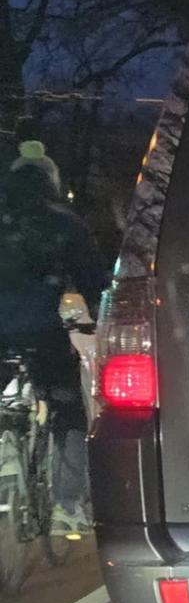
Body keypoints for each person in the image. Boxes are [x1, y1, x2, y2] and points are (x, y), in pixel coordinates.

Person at [0, 161, 108, 533]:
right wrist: (97, 319)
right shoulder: (63, 223)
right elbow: (92, 279)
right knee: (68, 410)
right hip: (41, 333)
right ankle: (66, 505)